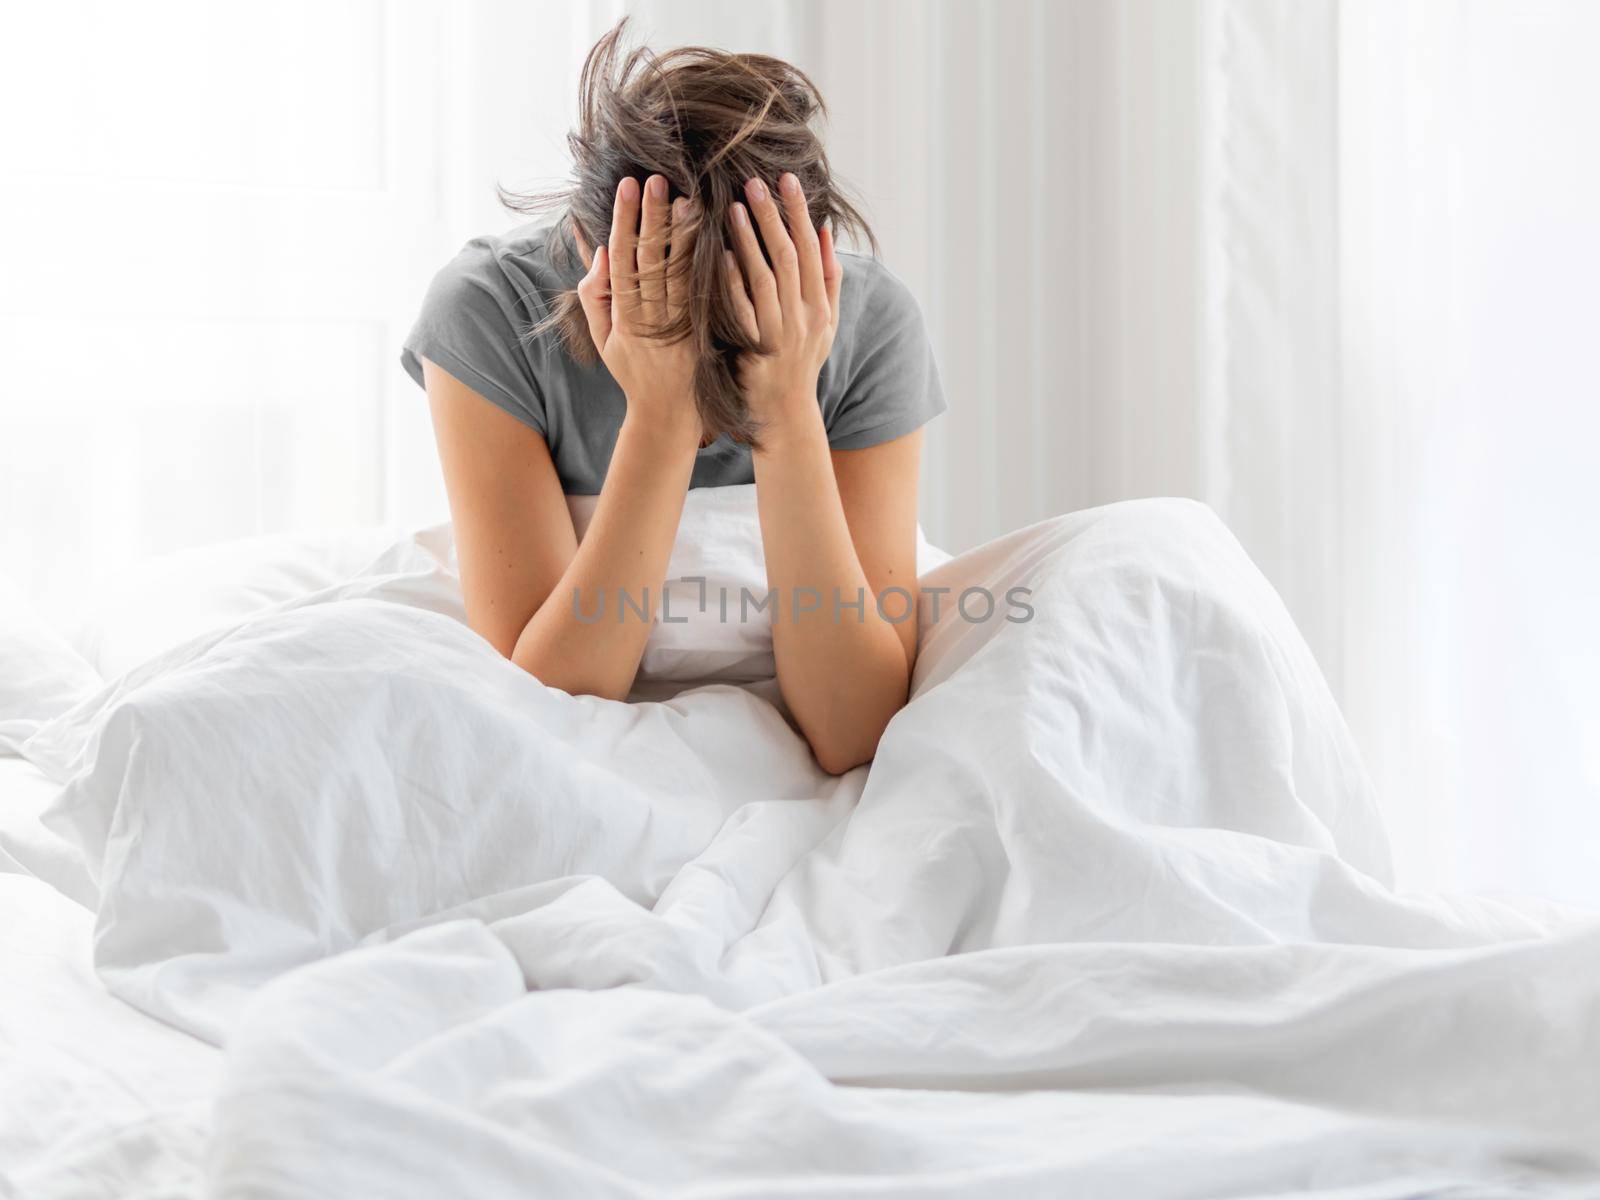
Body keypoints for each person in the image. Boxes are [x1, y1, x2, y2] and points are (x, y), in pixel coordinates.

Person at [402, 21, 945, 774]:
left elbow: (855, 732)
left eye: (730, 315)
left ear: (807, 259)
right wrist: (658, 419)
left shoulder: (869, 321)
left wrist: (787, 413)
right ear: (596, 259)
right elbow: (544, 700)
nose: (702, 357)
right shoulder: (490, 309)